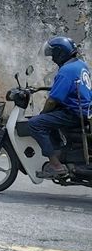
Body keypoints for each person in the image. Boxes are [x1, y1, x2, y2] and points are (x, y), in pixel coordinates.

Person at [28, 36, 92, 177]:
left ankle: (55, 165)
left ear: (60, 53)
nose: (52, 59)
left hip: (74, 113)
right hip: (85, 110)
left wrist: (42, 114)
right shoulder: (80, 64)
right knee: (50, 117)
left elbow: (52, 101)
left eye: (53, 55)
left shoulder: (66, 70)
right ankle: (59, 150)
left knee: (35, 123)